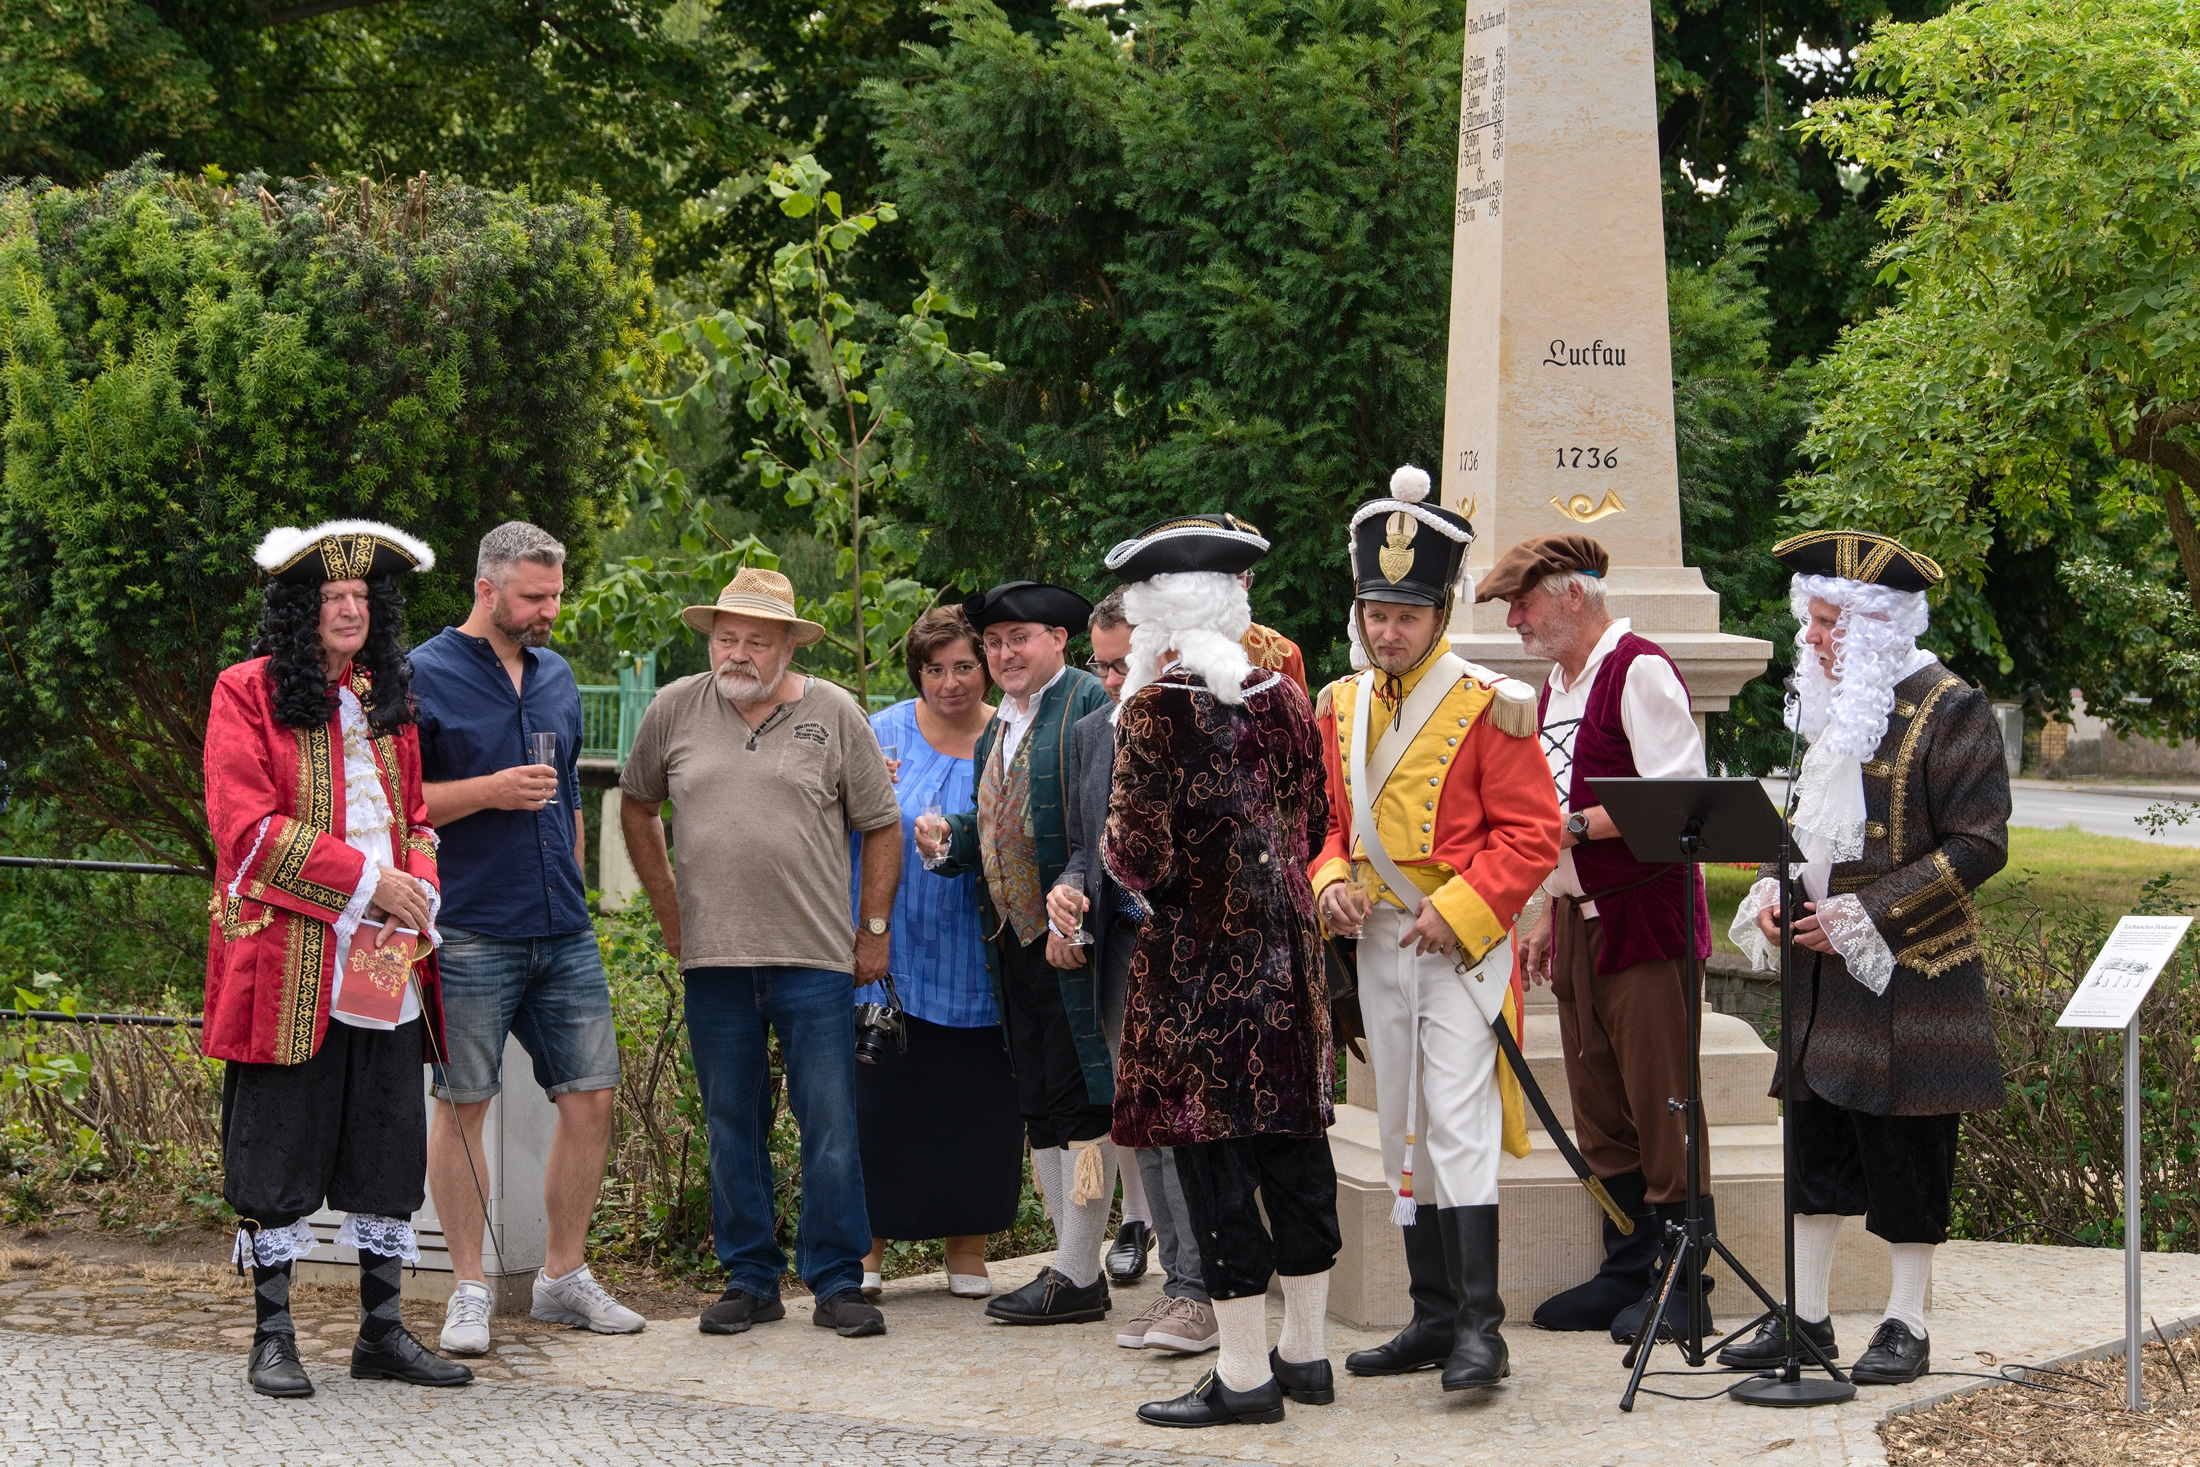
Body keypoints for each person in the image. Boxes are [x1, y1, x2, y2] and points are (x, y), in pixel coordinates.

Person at [1719, 530, 2009, 1387]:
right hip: (1821, 973)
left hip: (1910, 974)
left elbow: (1979, 844)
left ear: (1876, 626)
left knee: (1905, 1152)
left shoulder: (1951, 705)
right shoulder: (1835, 709)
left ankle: (1906, 1323)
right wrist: (1774, 889)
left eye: (1826, 624)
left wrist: (1867, 914)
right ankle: (1805, 1319)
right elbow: (1811, 828)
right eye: (1810, 621)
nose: (1810, 638)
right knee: (1816, 1150)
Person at [205, 519, 471, 1398]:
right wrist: (369, 883)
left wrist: (418, 887)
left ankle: (381, 1332)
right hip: (288, 962)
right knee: (279, 1141)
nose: (350, 609)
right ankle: (272, 1335)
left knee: (385, 1136)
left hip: (385, 958)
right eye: (331, 596)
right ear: (299, 609)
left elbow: (418, 819)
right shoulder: (245, 691)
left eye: (361, 596)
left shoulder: (385, 699)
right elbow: (248, 834)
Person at [1309, 467, 1561, 1394]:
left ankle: (1482, 1329)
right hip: (1377, 940)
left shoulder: (1491, 702)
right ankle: (1431, 1315)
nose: (1389, 630)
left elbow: (1532, 832)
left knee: (1456, 1122)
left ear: (1441, 610)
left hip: (1461, 945)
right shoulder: (1339, 705)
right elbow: (1323, 823)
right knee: (1402, 1127)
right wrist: (1330, 879)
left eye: (1406, 615)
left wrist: (1458, 911)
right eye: (1376, 612)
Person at [1097, 516, 1339, 1429]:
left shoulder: (1153, 710)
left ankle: (1243, 1377)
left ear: (1157, 617)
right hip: (1289, 967)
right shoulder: (1284, 698)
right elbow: (1315, 825)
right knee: (1295, 1155)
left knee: (1217, 1166)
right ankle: (1306, 1356)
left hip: (1198, 977)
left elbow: (1135, 855)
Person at [619, 567, 903, 1340]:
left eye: (756, 639)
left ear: (788, 645)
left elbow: (882, 823)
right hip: (713, 961)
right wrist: (670, 910)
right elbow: (637, 805)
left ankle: (838, 1280)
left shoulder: (834, 712)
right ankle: (750, 1277)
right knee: (730, 1122)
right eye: (726, 637)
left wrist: (874, 929)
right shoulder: (673, 707)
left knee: (830, 1124)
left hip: (815, 959)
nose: (738, 652)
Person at [410, 521, 645, 1354]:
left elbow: (570, 793)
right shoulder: (421, 674)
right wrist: (491, 790)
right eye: (534, 596)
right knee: (463, 1104)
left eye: (556, 594)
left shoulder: (558, 675)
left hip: (563, 926)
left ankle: (561, 1276)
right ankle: (469, 1288)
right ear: (487, 588)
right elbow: (402, 804)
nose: (550, 609)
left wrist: (575, 877)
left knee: (592, 1097)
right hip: (470, 923)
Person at [1474, 534, 1713, 1341]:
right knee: (1600, 1104)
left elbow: (1677, 799)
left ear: (1573, 594)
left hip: (1645, 917)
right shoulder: (1556, 686)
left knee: (1661, 1096)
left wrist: (1568, 828)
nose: (1515, 620)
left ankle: (1685, 1279)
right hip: (1581, 919)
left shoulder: (1639, 669)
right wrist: (1551, 904)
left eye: (1524, 603)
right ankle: (1627, 1265)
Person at [912, 583, 1116, 1327]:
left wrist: (1076, 913)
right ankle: (1071, 1263)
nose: (1004, 653)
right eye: (994, 642)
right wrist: (952, 838)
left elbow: (1107, 824)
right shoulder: (1000, 726)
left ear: (1059, 638)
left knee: (1080, 1101)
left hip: (1072, 941)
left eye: (1018, 637)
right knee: (1041, 1103)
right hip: (1015, 944)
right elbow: (1003, 825)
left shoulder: (1088, 701)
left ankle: (1080, 1272)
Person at [1046, 588, 1215, 1354]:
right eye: (1102, 664)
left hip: (1188, 955)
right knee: (1144, 1122)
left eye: (1123, 664)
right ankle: (1178, 1282)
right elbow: (1087, 844)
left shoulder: (1203, 720)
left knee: (1187, 1128)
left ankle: (1203, 1290)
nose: (1110, 680)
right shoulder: (1092, 733)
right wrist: (1068, 892)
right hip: (1118, 956)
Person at [851, 606, 1022, 1300]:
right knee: (879, 1105)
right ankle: (865, 1253)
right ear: (916, 672)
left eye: (963, 666)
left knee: (976, 1107)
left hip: (982, 956)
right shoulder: (879, 732)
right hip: (891, 950)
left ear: (986, 668)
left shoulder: (1014, 733)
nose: (950, 682)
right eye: (933, 668)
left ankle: (967, 1250)